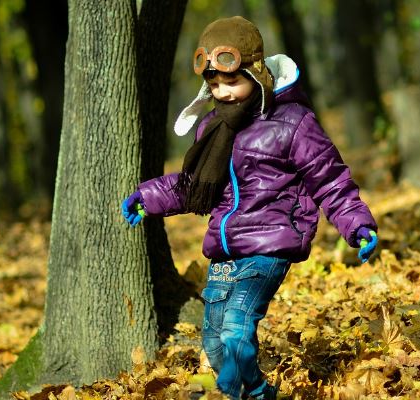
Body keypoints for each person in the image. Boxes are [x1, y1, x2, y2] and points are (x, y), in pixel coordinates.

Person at [121, 16, 378, 400]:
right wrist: (148, 197)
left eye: (232, 81)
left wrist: (356, 224)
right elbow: (192, 185)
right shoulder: (212, 128)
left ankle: (248, 390)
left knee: (237, 327)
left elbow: (329, 178)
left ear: (258, 73)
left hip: (270, 243)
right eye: (214, 84)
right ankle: (255, 392)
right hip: (224, 248)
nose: (223, 92)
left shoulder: (293, 122)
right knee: (214, 339)